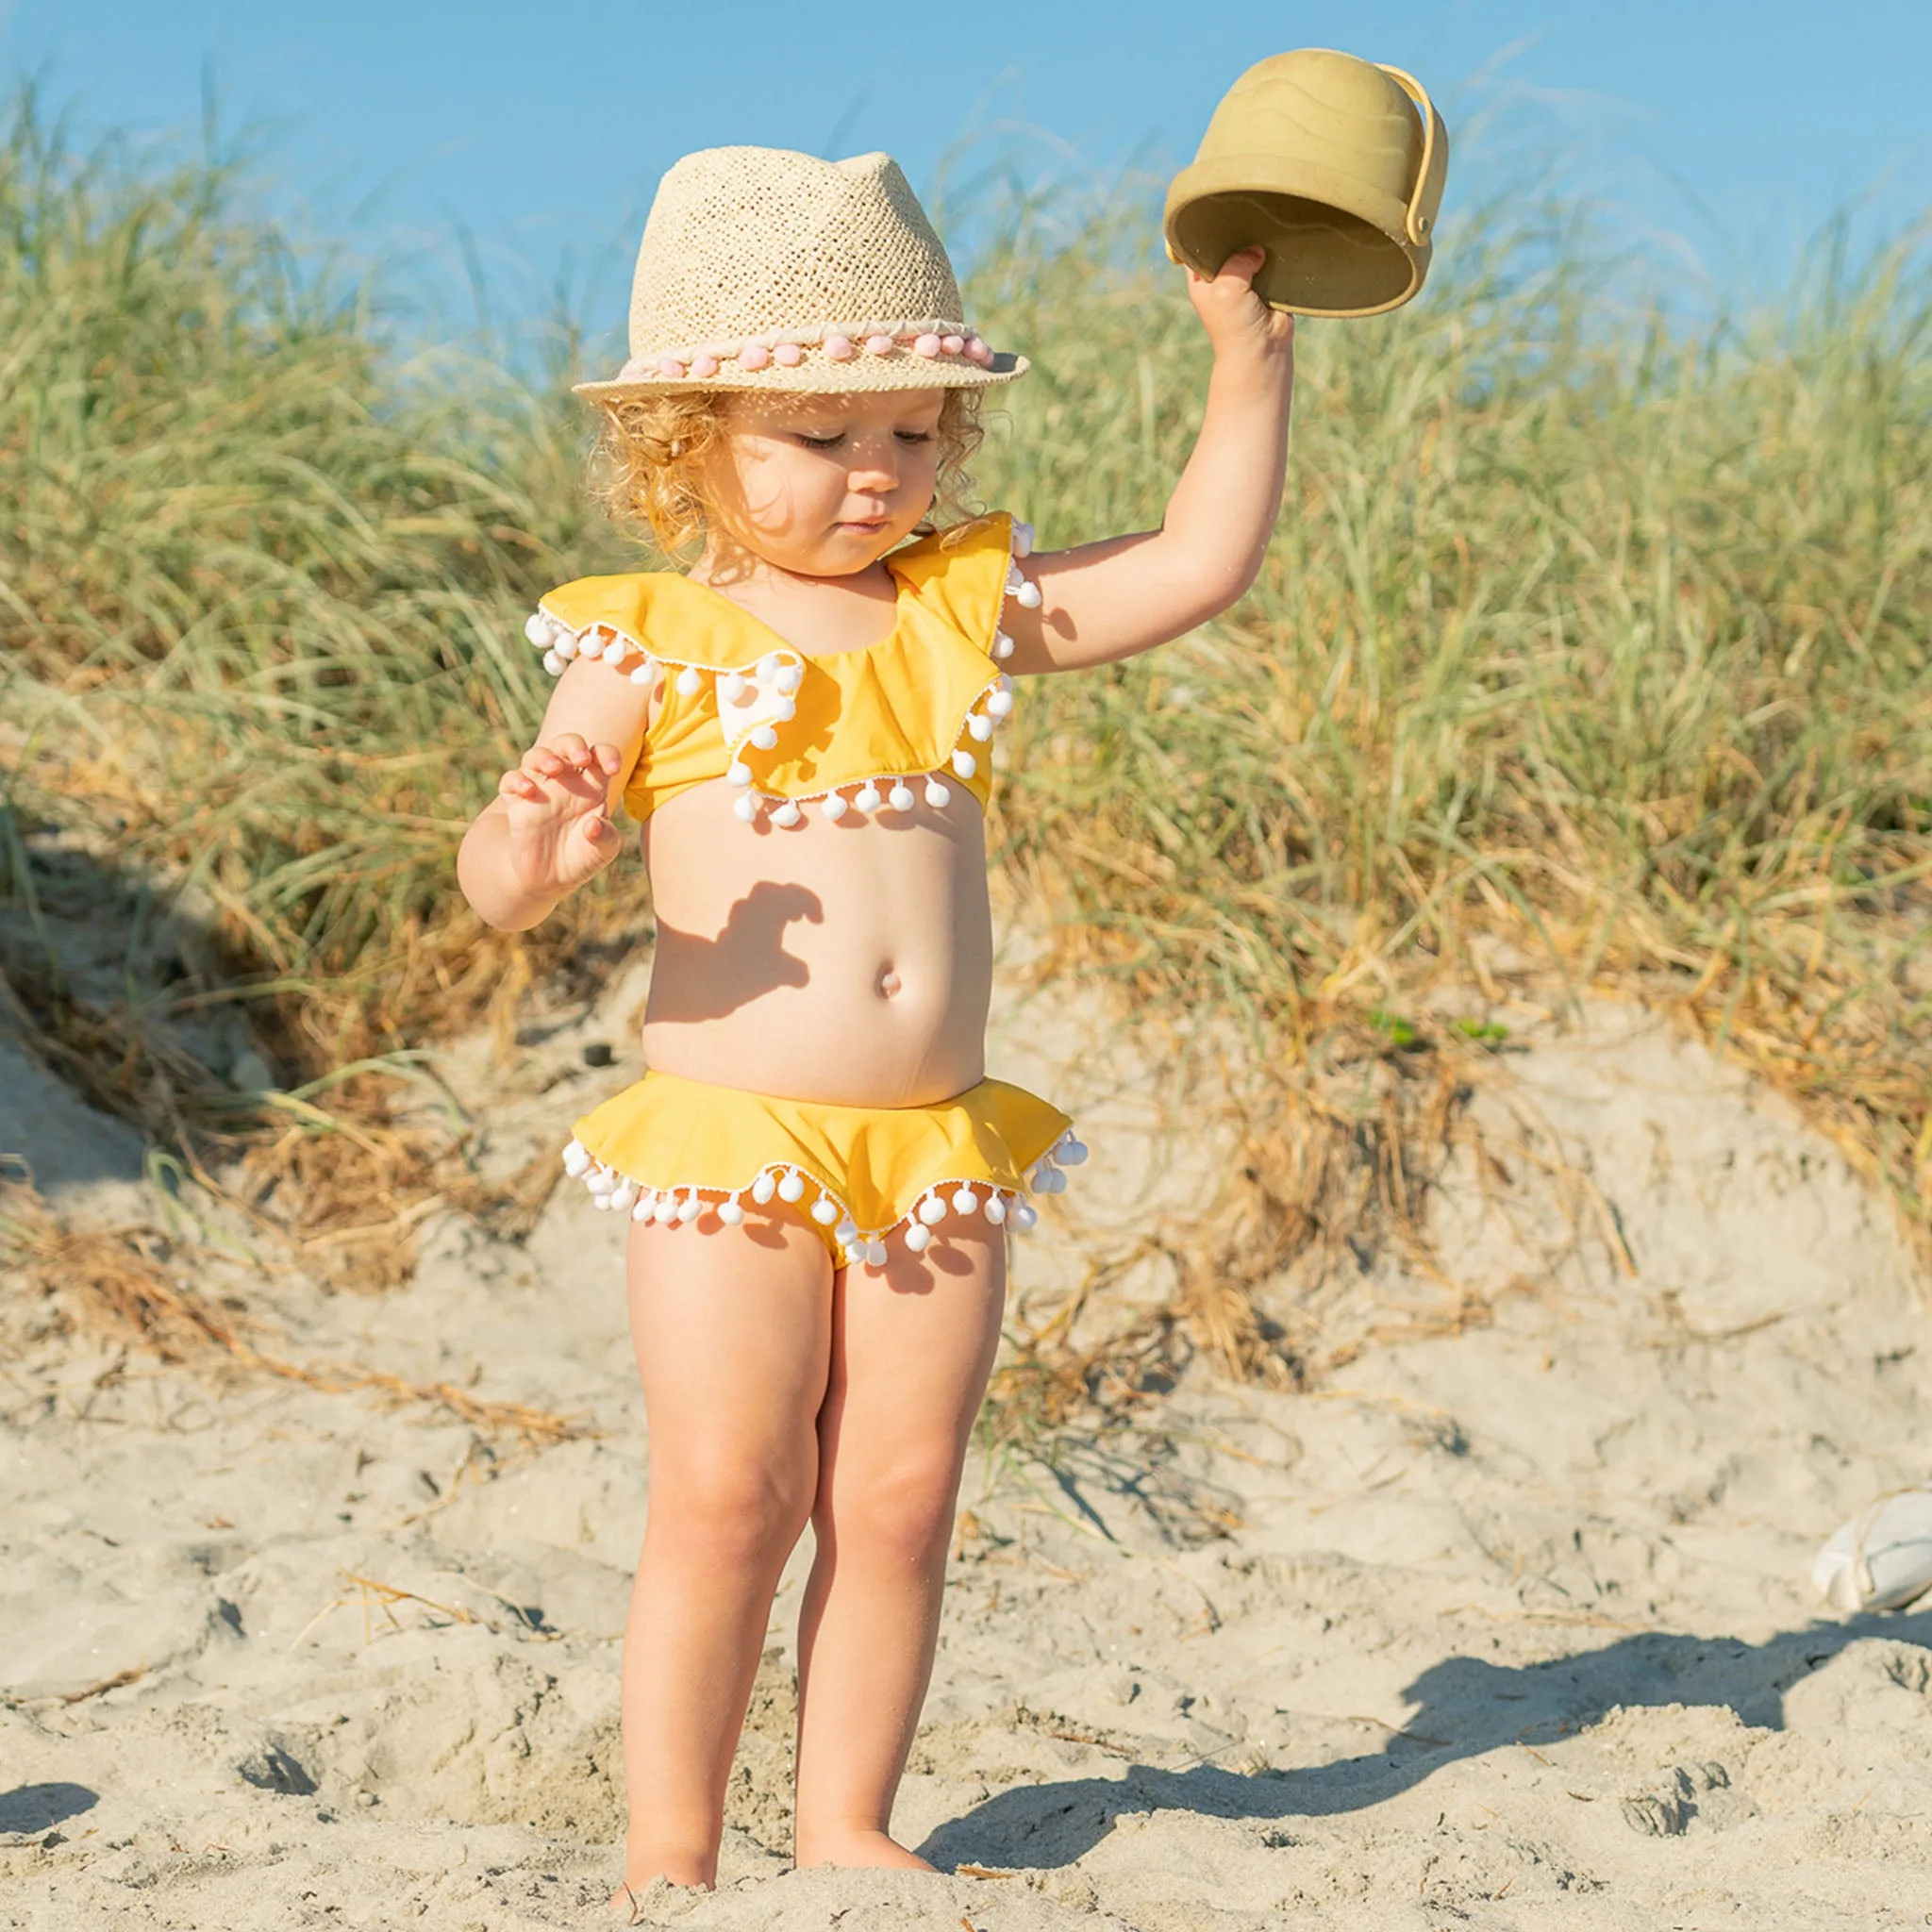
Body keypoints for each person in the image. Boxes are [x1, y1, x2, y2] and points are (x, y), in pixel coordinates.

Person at [456, 144, 1295, 1898]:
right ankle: (670, 1850)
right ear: (690, 440)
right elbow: (502, 878)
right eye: (819, 437)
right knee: (730, 1495)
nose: (874, 474)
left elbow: (1198, 562)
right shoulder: (656, 639)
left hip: (935, 1145)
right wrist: (535, 847)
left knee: (899, 1499)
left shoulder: (959, 609)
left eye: (909, 435)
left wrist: (1250, 357)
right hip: (732, 1148)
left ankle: (844, 1826)